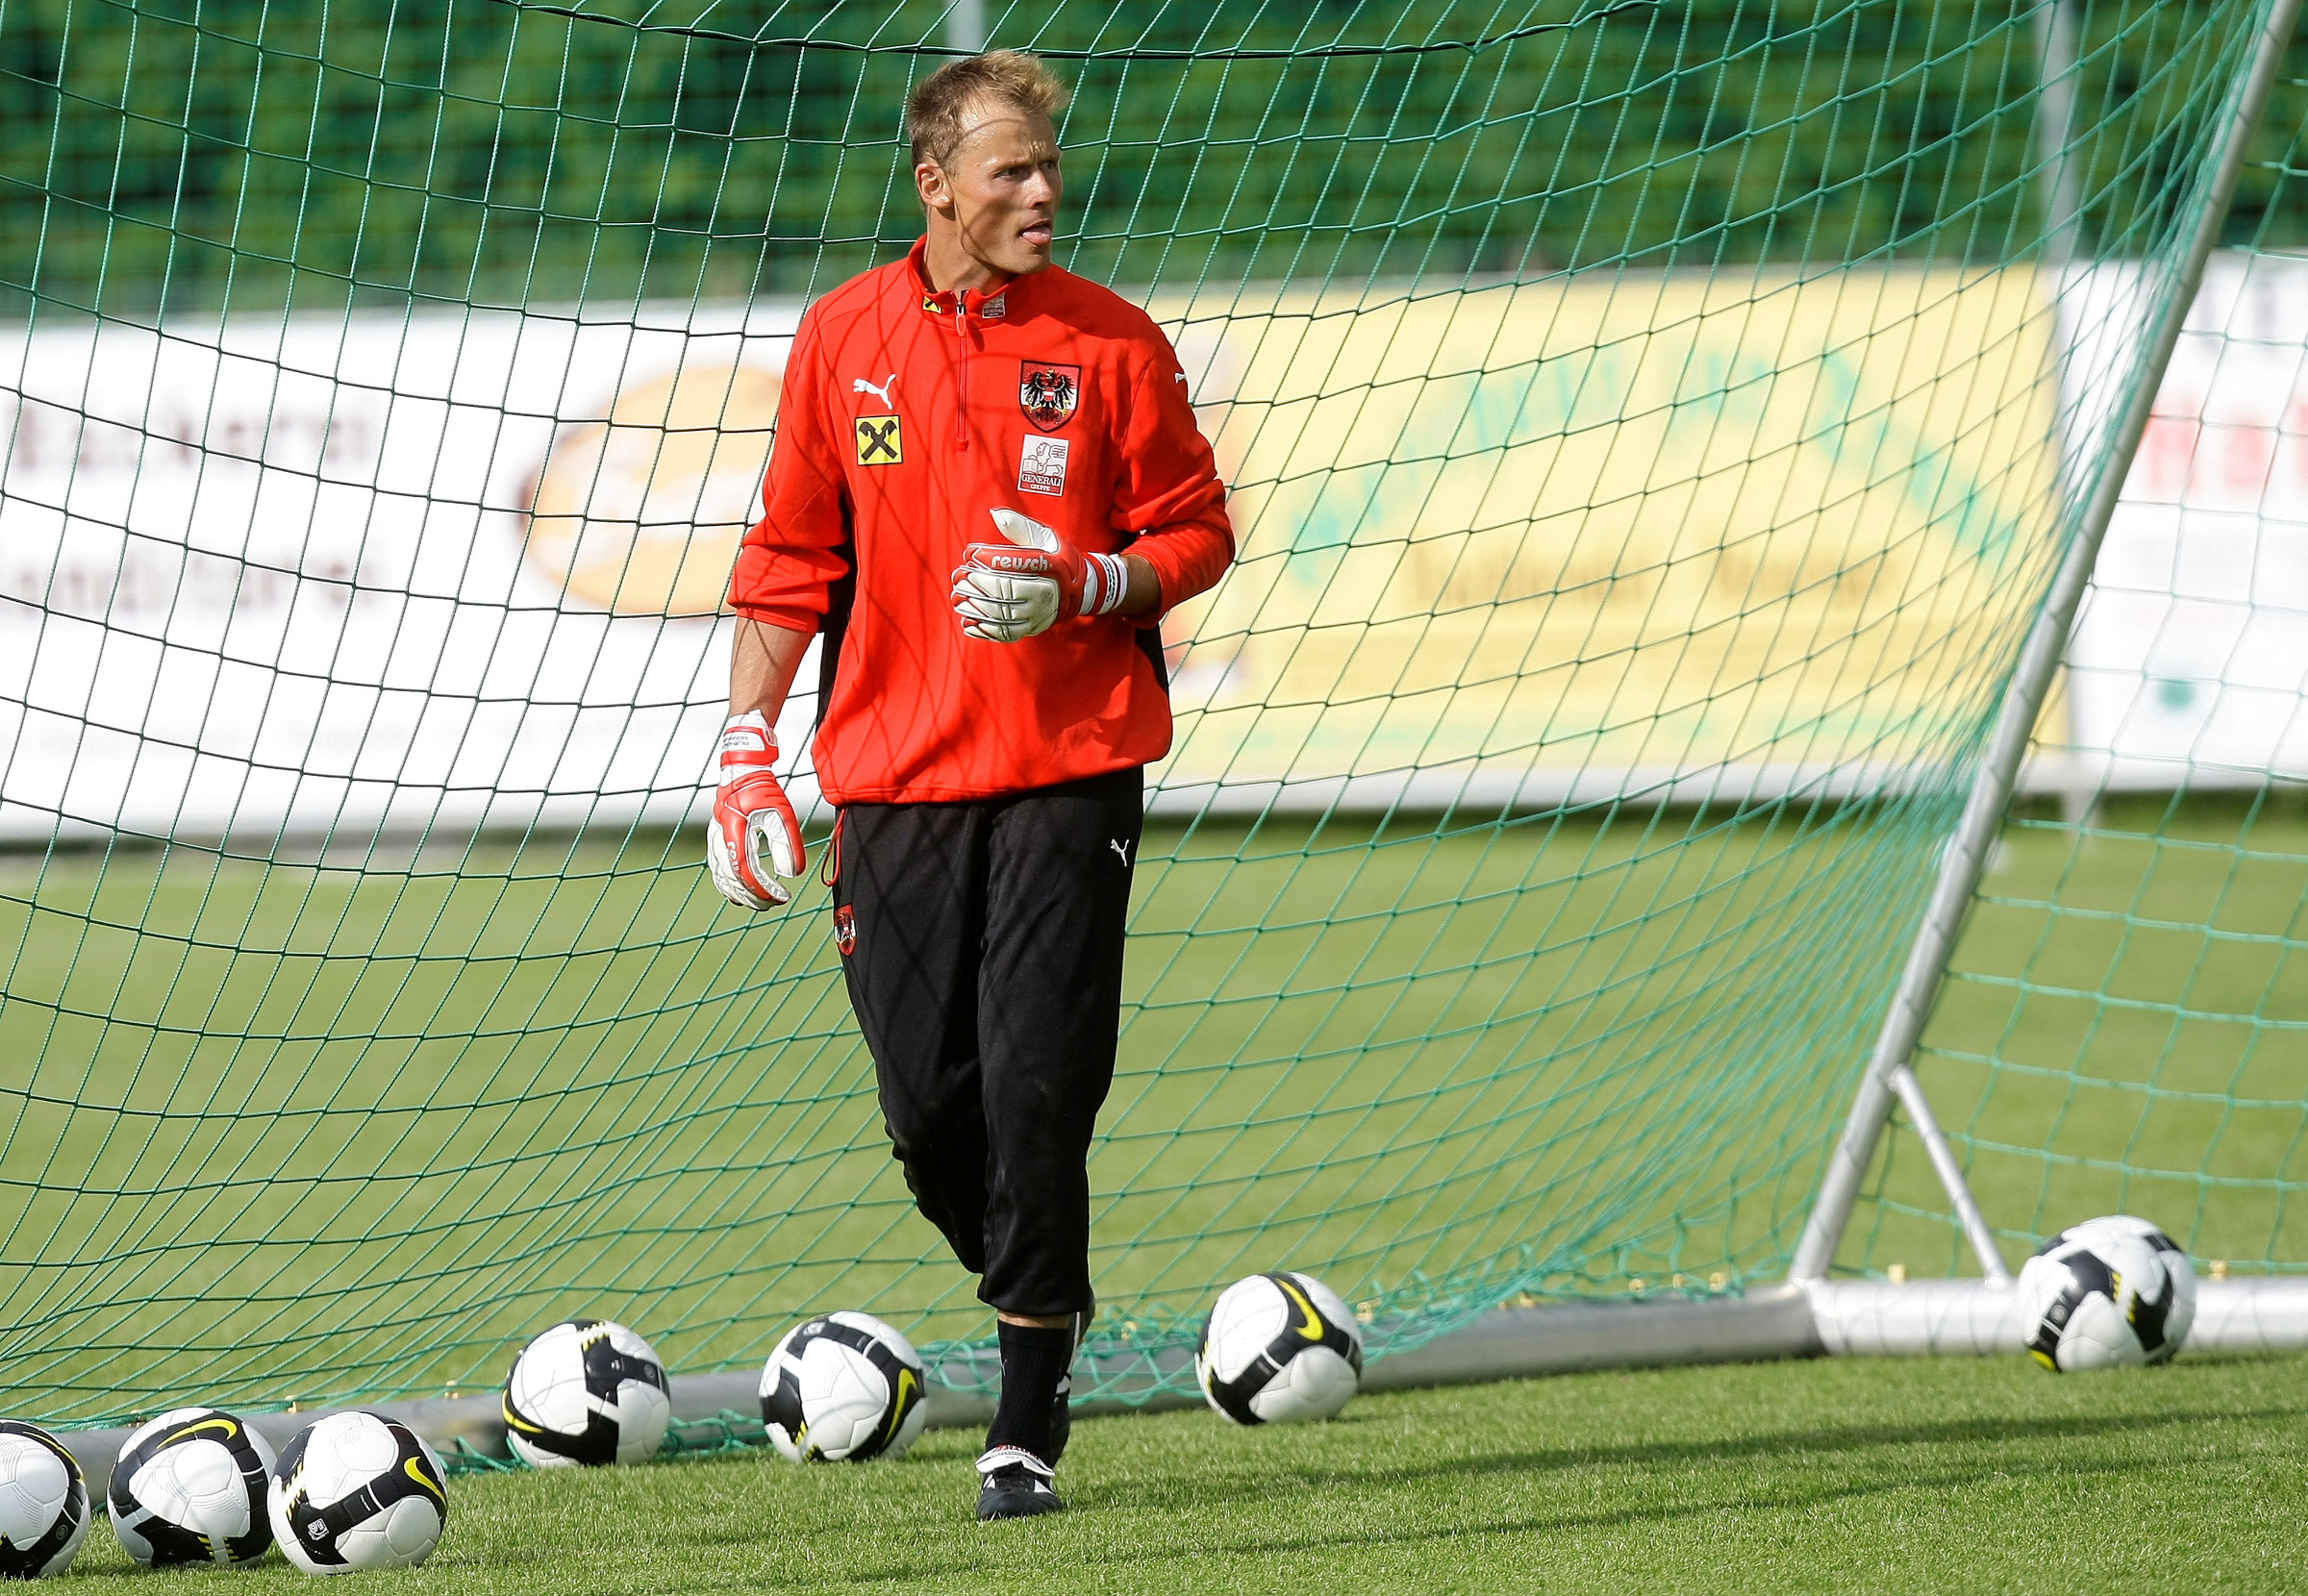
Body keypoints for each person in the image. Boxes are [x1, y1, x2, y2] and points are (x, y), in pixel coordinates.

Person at [707, 49, 1233, 1521]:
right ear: (934, 184)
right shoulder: (842, 338)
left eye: (1051, 167)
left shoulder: (1116, 344)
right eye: (1011, 170)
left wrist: (1092, 580)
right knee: (931, 1108)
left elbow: (1197, 532)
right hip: (893, 779)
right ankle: (1031, 1280)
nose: (1043, 191)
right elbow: (788, 560)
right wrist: (746, 743)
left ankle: (1023, 1423)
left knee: (1034, 1084)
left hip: (1073, 769)